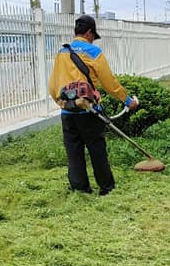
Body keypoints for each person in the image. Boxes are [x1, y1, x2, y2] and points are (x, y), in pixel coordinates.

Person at [48, 15, 139, 195]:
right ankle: (106, 188)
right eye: (92, 35)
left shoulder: (61, 52)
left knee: (73, 152)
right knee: (97, 150)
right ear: (89, 32)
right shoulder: (93, 52)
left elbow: (53, 84)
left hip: (68, 111)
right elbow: (109, 83)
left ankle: (80, 189)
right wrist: (128, 101)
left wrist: (63, 103)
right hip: (90, 113)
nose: (92, 38)